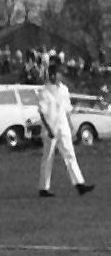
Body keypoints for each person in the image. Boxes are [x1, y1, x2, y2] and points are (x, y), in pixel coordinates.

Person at [37, 63, 94, 197]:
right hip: (50, 128)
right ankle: (43, 188)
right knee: (48, 157)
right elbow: (42, 113)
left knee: (70, 154)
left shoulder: (64, 89)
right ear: (52, 75)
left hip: (63, 126)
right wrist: (48, 129)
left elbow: (67, 109)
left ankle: (79, 184)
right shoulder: (44, 91)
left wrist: (70, 125)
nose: (60, 76)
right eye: (58, 73)